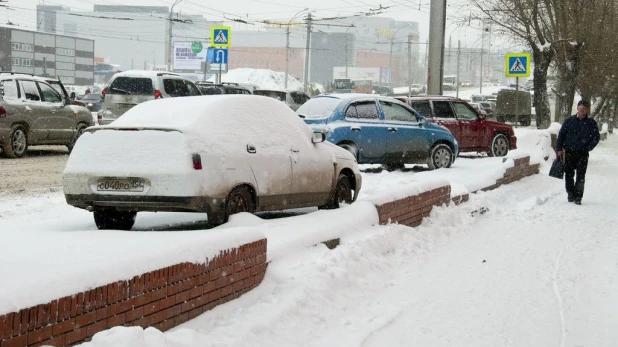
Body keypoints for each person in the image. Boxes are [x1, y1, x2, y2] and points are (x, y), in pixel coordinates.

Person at [556, 100, 600, 205]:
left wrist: (588, 147)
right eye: (580, 108)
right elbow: (561, 135)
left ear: (587, 110)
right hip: (569, 152)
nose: (582, 110)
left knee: (580, 175)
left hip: (583, 153)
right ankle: (570, 193)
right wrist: (559, 149)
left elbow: (596, 137)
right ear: (577, 109)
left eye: (584, 109)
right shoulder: (569, 121)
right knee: (569, 174)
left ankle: (578, 197)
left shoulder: (591, 123)